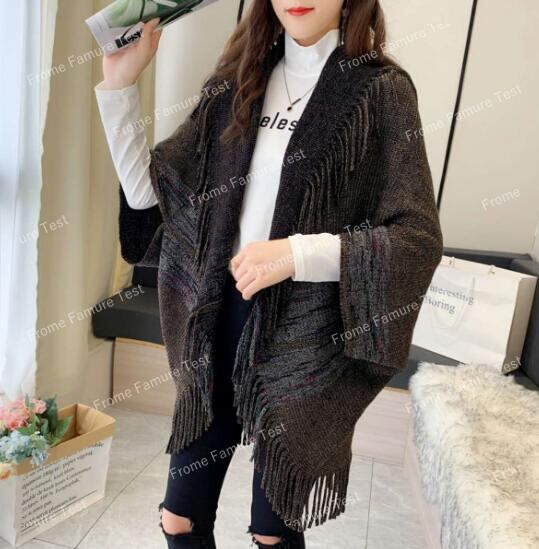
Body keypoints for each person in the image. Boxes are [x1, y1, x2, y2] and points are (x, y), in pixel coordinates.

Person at [95, 1, 443, 547]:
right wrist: (119, 86)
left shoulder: (380, 92)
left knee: (271, 532)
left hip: (306, 334)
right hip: (217, 321)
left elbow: (416, 238)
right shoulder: (237, 81)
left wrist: (296, 253)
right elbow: (153, 195)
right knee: (179, 517)